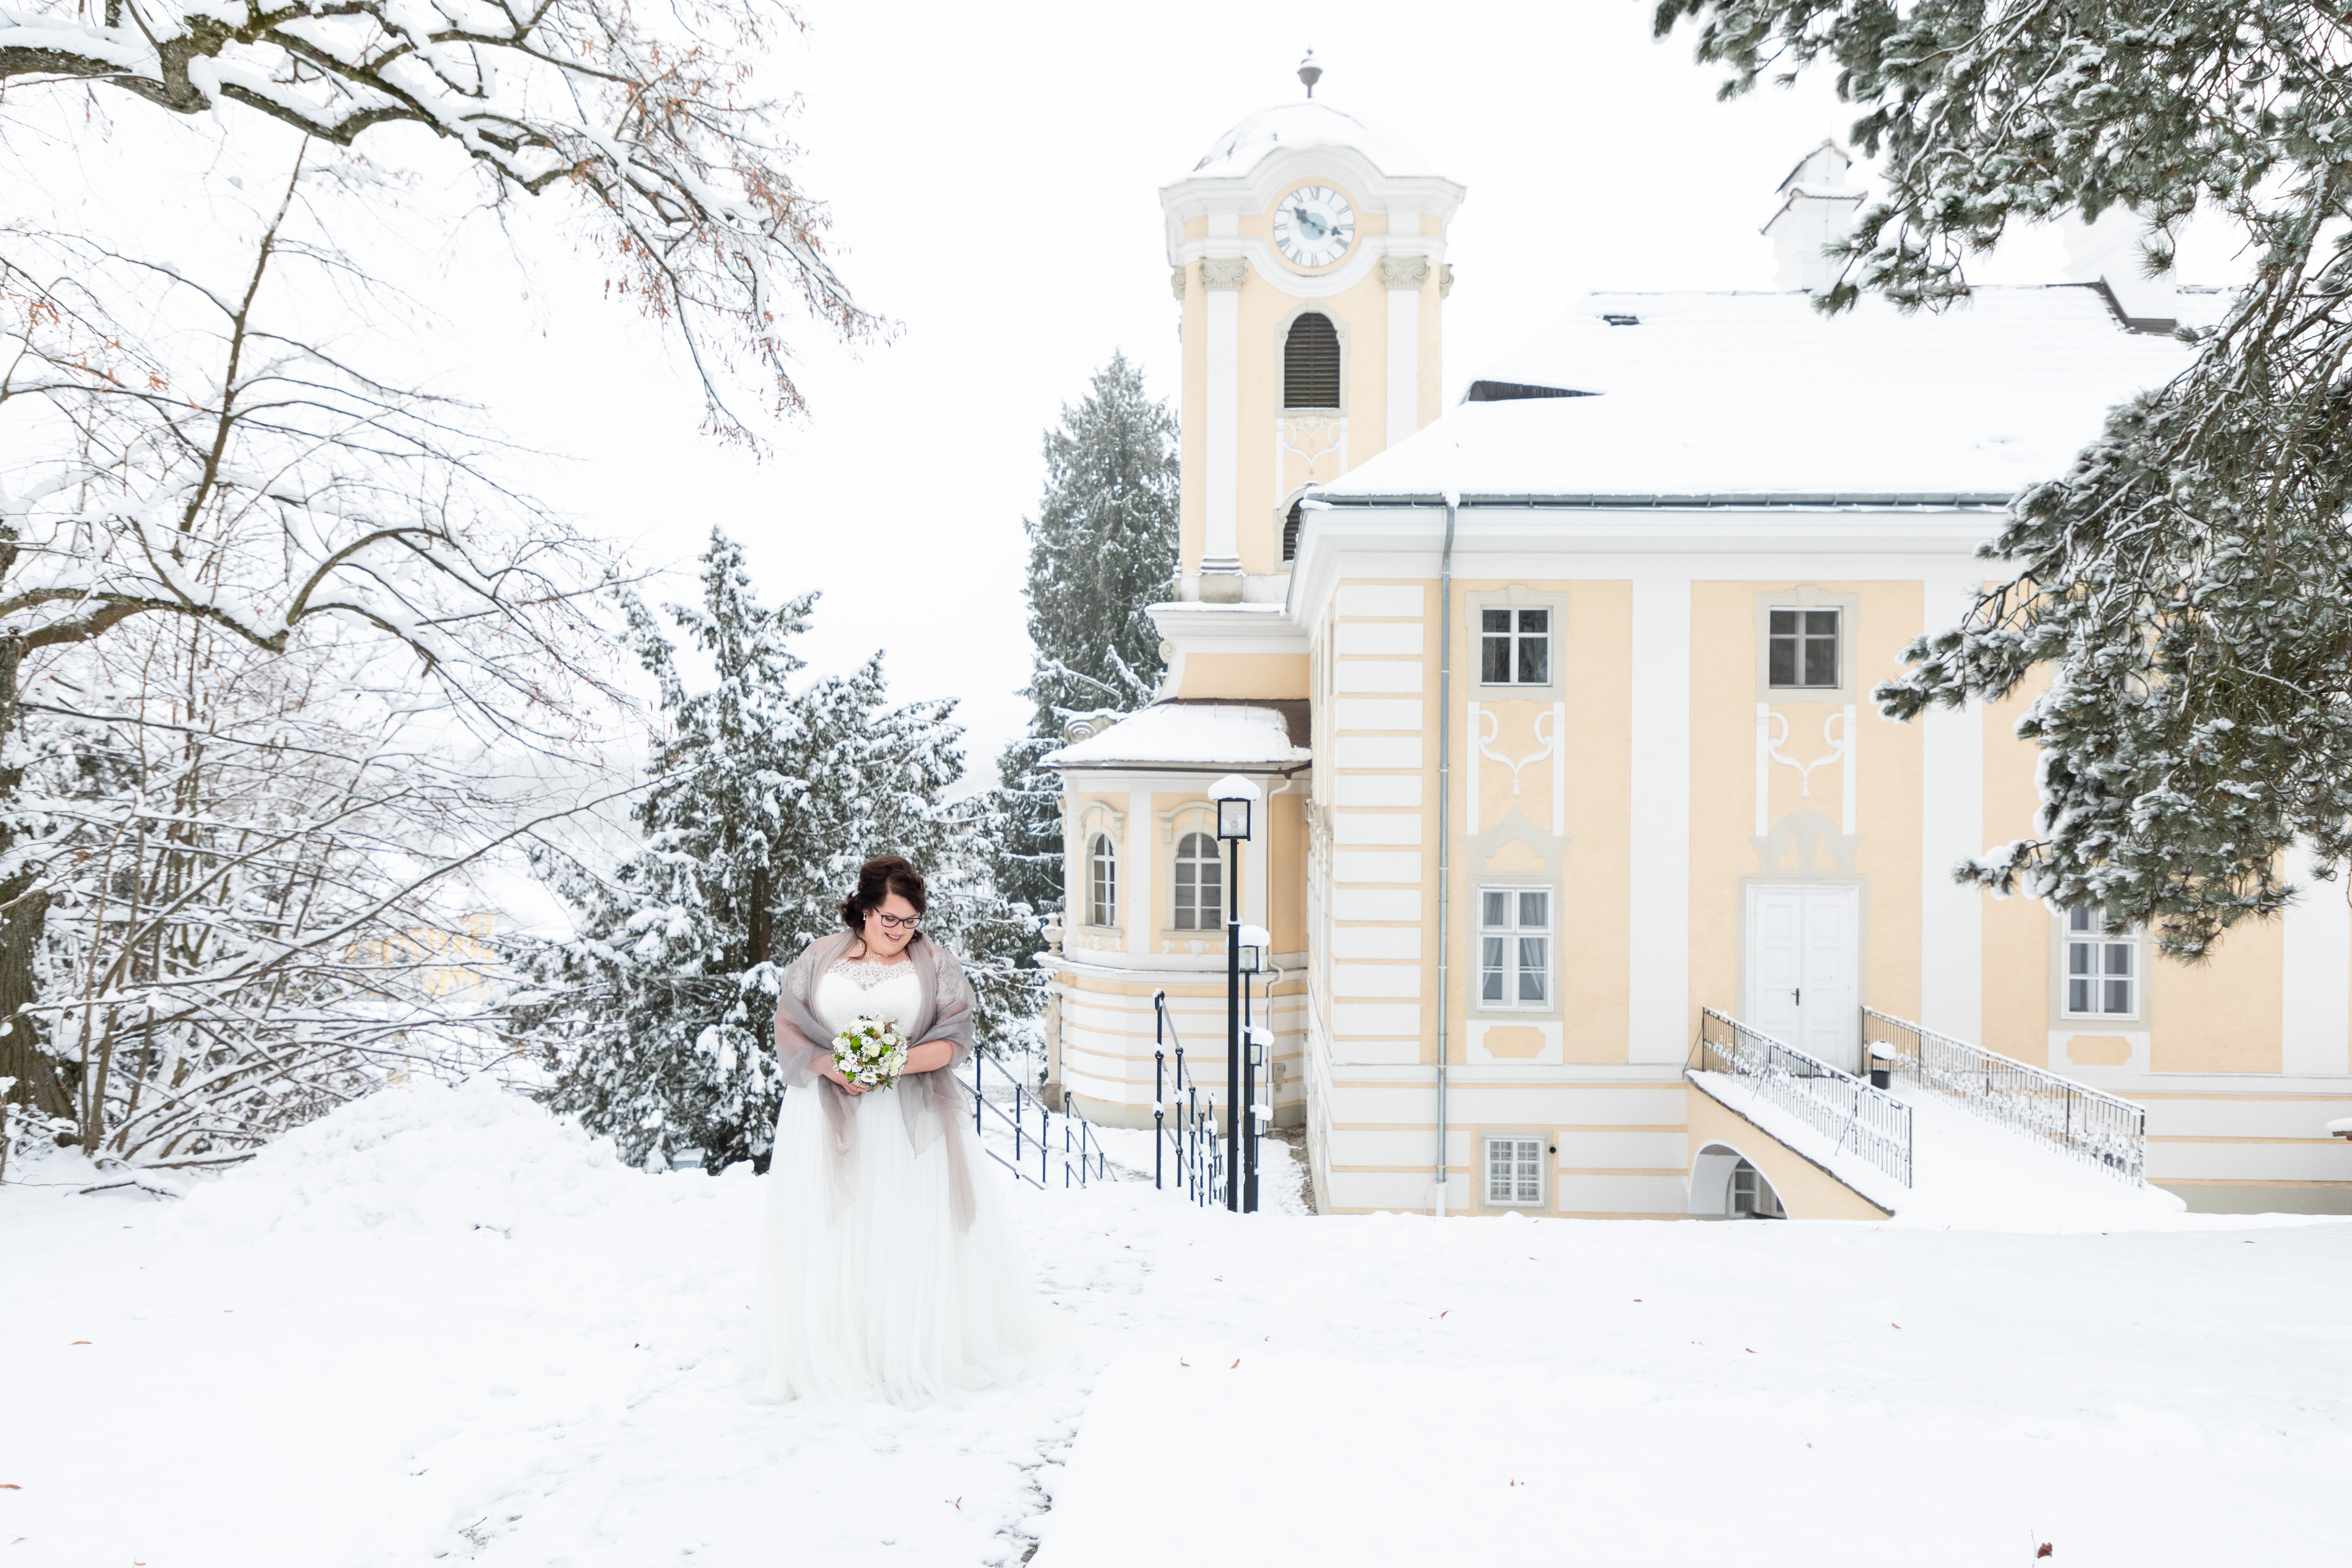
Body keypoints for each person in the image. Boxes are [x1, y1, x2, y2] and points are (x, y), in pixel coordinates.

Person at [749, 854, 1040, 1402]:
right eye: (890, 920)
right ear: (862, 910)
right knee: (835, 1227)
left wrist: (889, 1064)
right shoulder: (818, 958)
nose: (900, 933)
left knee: (903, 1225)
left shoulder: (934, 963)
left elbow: (956, 1037)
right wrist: (831, 1065)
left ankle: (902, 1347)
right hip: (823, 1114)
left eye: (910, 922)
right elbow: (789, 1026)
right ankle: (839, 1346)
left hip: (909, 1115)